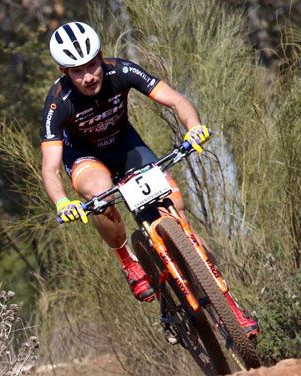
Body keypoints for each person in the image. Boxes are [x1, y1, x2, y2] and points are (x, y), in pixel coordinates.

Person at [40, 21, 258, 335]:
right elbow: (49, 167)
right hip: (86, 158)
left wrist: (193, 126)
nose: (88, 76)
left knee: (179, 214)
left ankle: (230, 310)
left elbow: (178, 101)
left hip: (126, 146)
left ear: (101, 57)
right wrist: (62, 202)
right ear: (64, 72)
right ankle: (128, 261)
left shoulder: (122, 71)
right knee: (100, 196)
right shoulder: (57, 102)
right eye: (77, 71)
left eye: (92, 65)